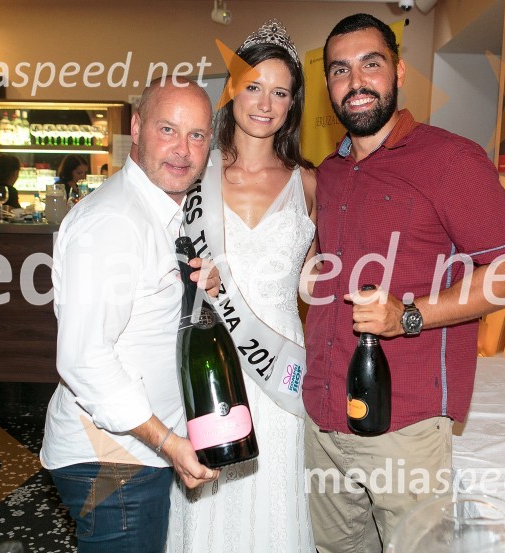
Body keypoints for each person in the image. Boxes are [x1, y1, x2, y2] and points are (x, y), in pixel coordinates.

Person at [303, 13, 505, 553]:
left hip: (405, 425)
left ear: (399, 72)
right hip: (323, 417)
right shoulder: (329, 172)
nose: (355, 81)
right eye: (339, 70)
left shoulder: (451, 159)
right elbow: (320, 272)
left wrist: (407, 315)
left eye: (371, 64)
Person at [40, 78, 221, 553]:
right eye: (168, 129)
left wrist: (199, 289)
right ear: (137, 128)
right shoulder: (115, 220)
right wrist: (169, 443)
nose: (182, 150)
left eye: (197, 135)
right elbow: (84, 359)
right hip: (114, 458)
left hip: (132, 451)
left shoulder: (157, 209)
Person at [168, 19, 317, 553]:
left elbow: (316, 282)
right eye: (253, 86)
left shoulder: (309, 182)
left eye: (280, 92)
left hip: (279, 365)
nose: (265, 103)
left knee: (277, 495)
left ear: (293, 104)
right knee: (214, 494)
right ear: (232, 90)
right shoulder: (194, 176)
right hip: (212, 354)